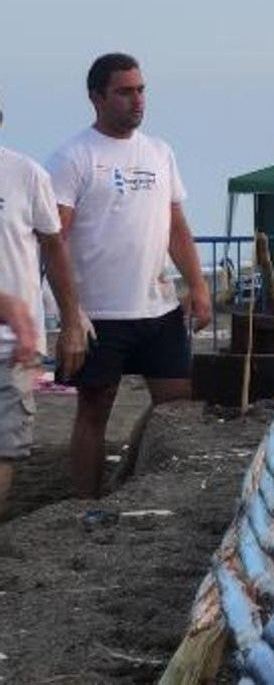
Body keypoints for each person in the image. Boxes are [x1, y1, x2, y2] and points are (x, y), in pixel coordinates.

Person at [46, 52, 211, 498]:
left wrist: (197, 285)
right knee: (95, 408)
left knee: (177, 404)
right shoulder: (73, 157)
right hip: (98, 313)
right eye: (124, 92)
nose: (137, 100)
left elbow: (176, 226)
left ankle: (147, 483)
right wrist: (70, 315)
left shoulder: (160, 152)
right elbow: (53, 239)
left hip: (158, 307)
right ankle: (85, 502)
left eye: (140, 90)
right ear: (96, 97)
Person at [1, 105, 87, 517]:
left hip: (15, 343)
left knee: (5, 444)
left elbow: (54, 247)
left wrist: (71, 320)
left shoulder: (26, 173)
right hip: (15, 324)